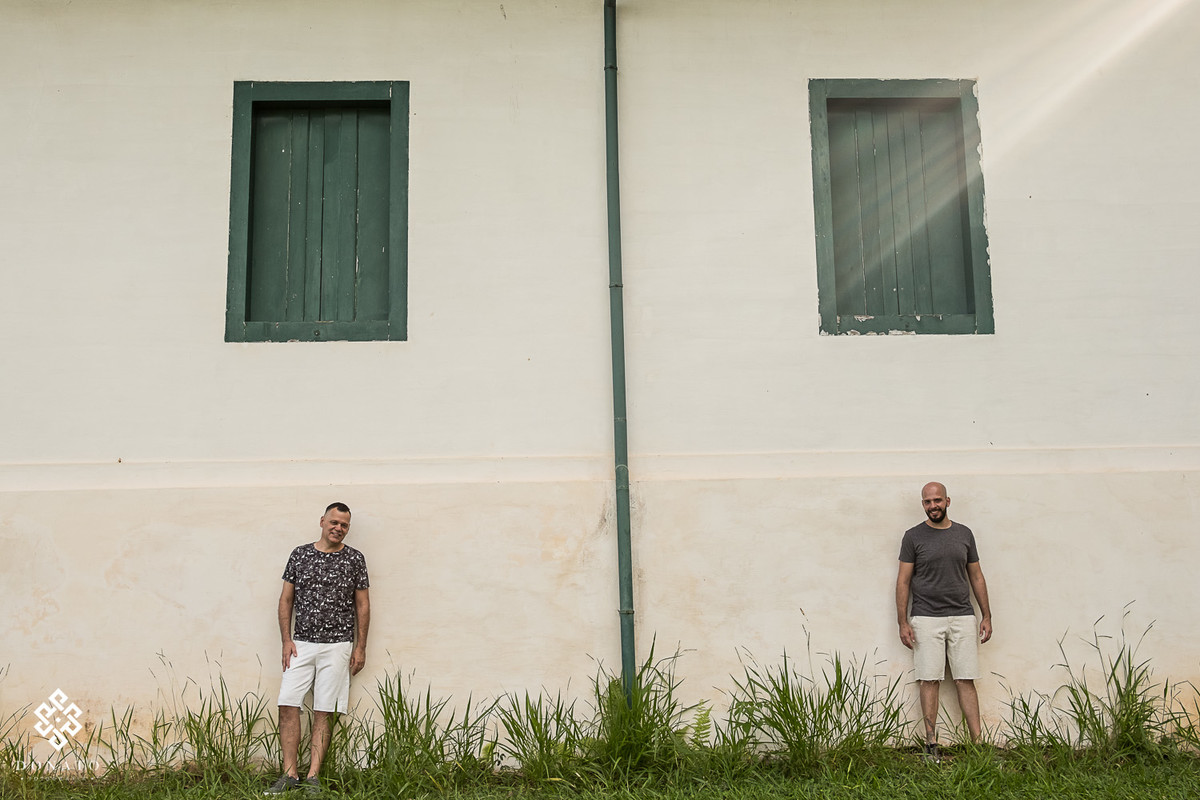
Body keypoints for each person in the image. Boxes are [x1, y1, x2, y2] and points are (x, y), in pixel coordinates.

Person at [266, 502, 370, 795]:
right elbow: (286, 599)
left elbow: (362, 604)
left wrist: (360, 647)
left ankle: (312, 777)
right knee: (288, 703)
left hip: (338, 646)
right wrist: (286, 640)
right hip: (301, 644)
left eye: (344, 525)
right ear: (323, 521)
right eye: (334, 522)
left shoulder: (354, 559)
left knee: (324, 710)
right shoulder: (299, 555)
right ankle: (289, 774)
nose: (338, 528)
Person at [895, 482, 991, 757]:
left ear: (948, 501)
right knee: (929, 679)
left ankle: (978, 745)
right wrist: (903, 621)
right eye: (927, 502)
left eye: (937, 500)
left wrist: (987, 615)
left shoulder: (964, 534)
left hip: (962, 616)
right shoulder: (913, 537)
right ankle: (931, 744)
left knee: (965, 679)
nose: (933, 506)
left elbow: (976, 576)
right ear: (923, 504)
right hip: (925, 618)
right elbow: (903, 581)